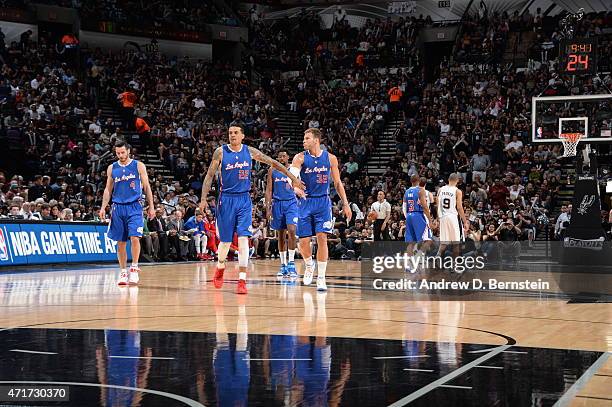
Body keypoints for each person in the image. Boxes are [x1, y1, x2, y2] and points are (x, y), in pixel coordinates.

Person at [199, 125, 304, 295]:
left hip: (244, 200)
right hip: (226, 199)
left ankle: (242, 279)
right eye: (230, 133)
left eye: (235, 133)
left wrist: (293, 178)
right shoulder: (220, 152)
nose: (232, 135)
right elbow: (210, 175)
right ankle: (220, 267)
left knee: (243, 238)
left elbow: (274, 163)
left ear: (242, 136)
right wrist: (203, 199)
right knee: (225, 242)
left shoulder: (250, 152)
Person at [290, 128, 352, 291]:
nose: (304, 141)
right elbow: (291, 180)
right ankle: (309, 264)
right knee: (303, 242)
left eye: (307, 138)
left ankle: (322, 278)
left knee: (322, 238)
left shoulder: (330, 158)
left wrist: (345, 203)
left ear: (316, 140)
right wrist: (296, 189)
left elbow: (338, 183)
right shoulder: (300, 158)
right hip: (305, 202)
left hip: (323, 202)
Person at [100, 141, 155, 285]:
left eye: (123, 152)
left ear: (128, 151)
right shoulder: (112, 168)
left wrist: (151, 206)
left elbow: (147, 187)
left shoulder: (138, 165)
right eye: (118, 153)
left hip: (134, 207)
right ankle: (123, 272)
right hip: (118, 207)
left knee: (135, 238)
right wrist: (103, 207)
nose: (120, 155)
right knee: (121, 242)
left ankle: (134, 268)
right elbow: (107, 189)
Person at [265, 151, 299, 278]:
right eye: (279, 156)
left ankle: (291, 263)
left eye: (284, 156)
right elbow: (269, 190)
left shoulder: (294, 170)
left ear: (288, 157)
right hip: (277, 203)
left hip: (291, 203)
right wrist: (267, 208)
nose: (281, 158)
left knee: (291, 230)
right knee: (280, 235)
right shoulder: (272, 170)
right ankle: (283, 264)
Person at [436, 173, 470, 269]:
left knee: (444, 241)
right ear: (458, 180)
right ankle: (454, 265)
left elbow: (437, 205)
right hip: (452, 216)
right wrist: (465, 221)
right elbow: (459, 207)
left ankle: (437, 256)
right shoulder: (457, 191)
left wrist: (438, 218)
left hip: (442, 217)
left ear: (448, 179)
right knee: (456, 243)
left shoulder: (440, 189)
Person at [403, 175, 433, 271]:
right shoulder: (421, 190)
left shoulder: (406, 192)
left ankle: (409, 265)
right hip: (418, 215)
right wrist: (429, 219)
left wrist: (407, 216)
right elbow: (424, 206)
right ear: (419, 180)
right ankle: (416, 259)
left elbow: (404, 207)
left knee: (411, 243)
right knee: (428, 240)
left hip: (409, 216)